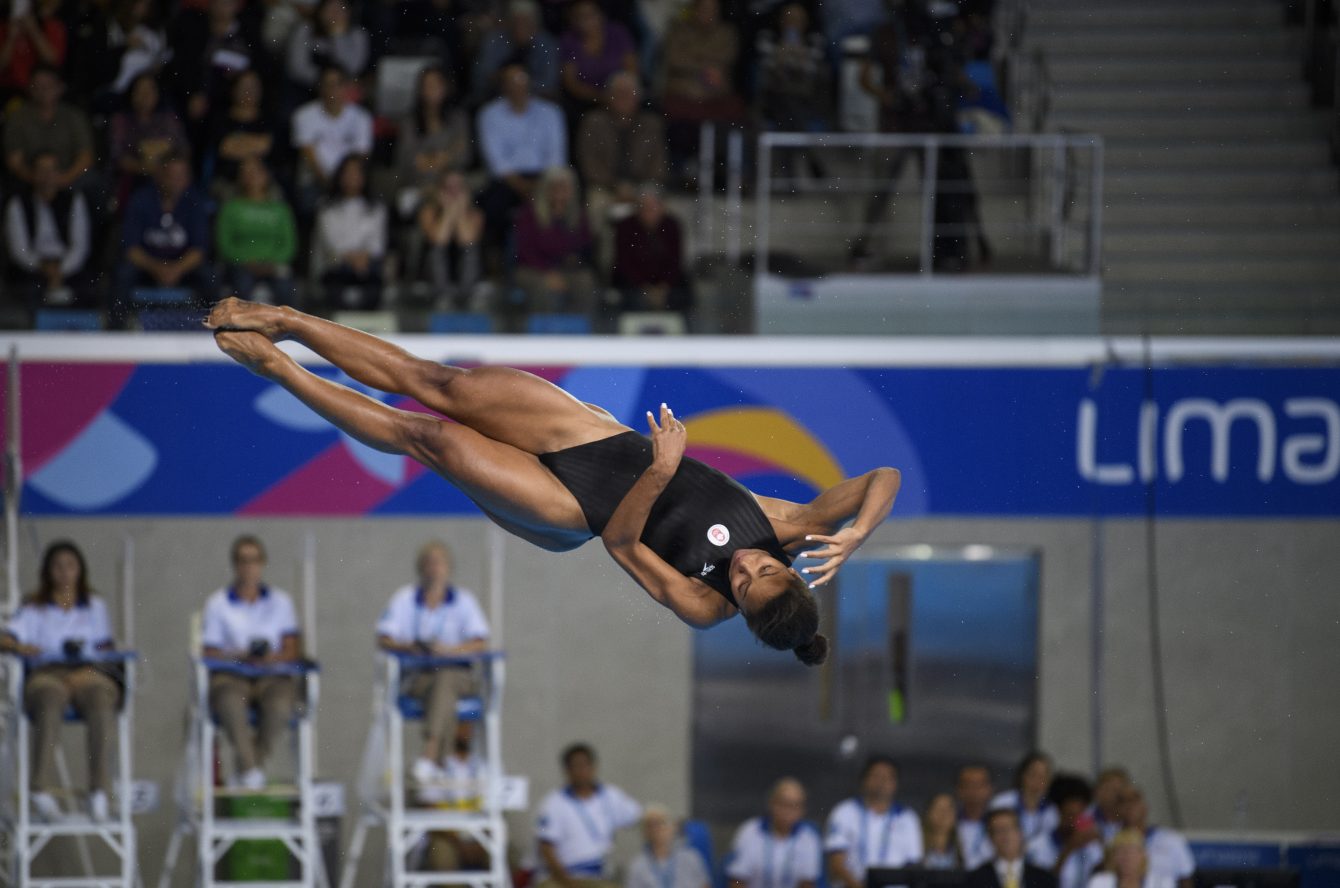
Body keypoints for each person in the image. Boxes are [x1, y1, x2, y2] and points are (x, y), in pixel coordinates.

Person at [205, 298, 901, 661]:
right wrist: (860, 532)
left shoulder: (702, 604)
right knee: (438, 383)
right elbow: (882, 476)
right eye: (763, 573)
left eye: (743, 589)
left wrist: (661, 473)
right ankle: (286, 320)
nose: (744, 570)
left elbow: (623, 546)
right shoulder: (787, 525)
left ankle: (280, 369)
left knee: (428, 436)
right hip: (597, 438)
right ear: (792, 569)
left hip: (575, 511)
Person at [0, 541, 122, 823]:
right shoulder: (33, 607)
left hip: (87, 671)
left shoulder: (94, 606)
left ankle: (99, 791)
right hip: (46, 672)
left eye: (70, 566)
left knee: (101, 697)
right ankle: (40, 788)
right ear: (48, 572)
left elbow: (106, 650)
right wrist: (19, 647)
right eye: (58, 566)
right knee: (50, 696)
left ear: (80, 570)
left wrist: (87, 671)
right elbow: (7, 638)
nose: (64, 573)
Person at [375, 540, 490, 793]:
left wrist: (449, 651)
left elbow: (479, 643)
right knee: (441, 685)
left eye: (439, 563)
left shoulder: (464, 601)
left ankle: (429, 754)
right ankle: (442, 759)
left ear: (448, 568)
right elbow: (384, 638)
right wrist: (411, 647)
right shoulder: (404, 599)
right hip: (419, 677)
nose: (434, 569)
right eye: (428, 563)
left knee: (446, 677)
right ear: (420, 568)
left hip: (458, 676)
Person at [201, 535, 304, 791]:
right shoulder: (217, 604)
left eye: (254, 561)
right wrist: (237, 654)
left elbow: (292, 648)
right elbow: (210, 651)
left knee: (281, 706)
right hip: (232, 674)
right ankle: (250, 769)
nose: (249, 567)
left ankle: (249, 769)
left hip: (272, 675)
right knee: (229, 703)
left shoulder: (281, 602)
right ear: (235, 565)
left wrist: (272, 657)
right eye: (243, 561)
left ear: (263, 564)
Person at [475, 64, 566, 265]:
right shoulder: (490, 114)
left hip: (544, 177)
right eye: (511, 82)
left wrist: (540, 186)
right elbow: (497, 161)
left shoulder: (550, 112)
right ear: (503, 86)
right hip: (507, 180)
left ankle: (558, 261)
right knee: (492, 206)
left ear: (530, 83)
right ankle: (497, 261)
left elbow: (556, 156)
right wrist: (525, 188)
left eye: (521, 81)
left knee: (563, 199)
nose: (517, 87)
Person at [113, 150, 213, 327]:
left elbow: (199, 249)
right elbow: (131, 248)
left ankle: (212, 327)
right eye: (170, 175)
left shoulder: (195, 201)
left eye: (180, 176)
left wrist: (176, 269)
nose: (175, 181)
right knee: (123, 273)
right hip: (147, 266)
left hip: (182, 267)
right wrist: (157, 268)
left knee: (209, 275)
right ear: (159, 175)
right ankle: (117, 327)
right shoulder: (141, 200)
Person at [576, 71, 665, 267]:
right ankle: (596, 263)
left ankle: (653, 265)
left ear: (638, 98)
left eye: (629, 94)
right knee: (594, 209)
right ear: (609, 96)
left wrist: (637, 191)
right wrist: (616, 187)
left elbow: (658, 164)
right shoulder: (593, 121)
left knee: (662, 209)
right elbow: (589, 163)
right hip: (605, 187)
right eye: (619, 94)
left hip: (642, 187)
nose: (624, 99)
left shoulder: (651, 124)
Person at [535, 743, 643, 887]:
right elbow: (545, 847)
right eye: (576, 766)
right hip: (562, 877)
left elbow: (640, 818)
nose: (581, 771)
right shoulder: (552, 804)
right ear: (566, 770)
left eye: (585, 765)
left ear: (594, 767)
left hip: (599, 877)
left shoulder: (610, 796)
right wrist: (567, 882)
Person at [660, 0, 743, 174]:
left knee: (734, 117)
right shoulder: (678, 29)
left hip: (715, 93)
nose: (708, 14)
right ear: (694, 10)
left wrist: (694, 60)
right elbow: (675, 58)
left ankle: (725, 173)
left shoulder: (727, 32)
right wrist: (706, 68)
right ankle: (682, 171)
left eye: (713, 10)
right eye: (704, 9)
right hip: (684, 91)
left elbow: (726, 57)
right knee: (677, 119)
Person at [4, 150, 93, 311]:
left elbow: (80, 246)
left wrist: (60, 269)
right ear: (33, 174)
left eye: (51, 170)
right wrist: (43, 267)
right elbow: (19, 249)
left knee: (89, 284)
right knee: (24, 286)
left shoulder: (74, 200)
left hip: (67, 265)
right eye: (42, 170)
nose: (47, 176)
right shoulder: (18, 203)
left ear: (59, 173)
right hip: (33, 266)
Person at [513, 165, 596, 321]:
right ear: (546, 189)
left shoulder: (578, 215)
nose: (560, 192)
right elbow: (525, 250)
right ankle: (544, 330)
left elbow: (585, 248)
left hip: (567, 270)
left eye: (564, 187)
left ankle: (577, 329)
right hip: (533, 269)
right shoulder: (530, 214)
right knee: (542, 288)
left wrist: (573, 262)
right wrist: (547, 273)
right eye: (555, 187)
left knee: (585, 282)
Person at [825, 756, 923, 888]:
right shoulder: (844, 812)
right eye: (876, 776)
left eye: (887, 777)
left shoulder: (908, 818)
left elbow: (913, 866)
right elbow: (836, 864)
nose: (881, 782)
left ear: (895, 784)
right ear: (864, 780)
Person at [215, 158, 298, 305]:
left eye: (256, 171)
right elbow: (224, 245)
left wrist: (270, 263)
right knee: (241, 286)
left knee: (286, 290)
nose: (252, 176)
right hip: (241, 265)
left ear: (266, 175)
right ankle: (241, 327)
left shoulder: (281, 209)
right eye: (246, 172)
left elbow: (289, 245)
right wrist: (247, 262)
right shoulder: (231, 208)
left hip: (274, 266)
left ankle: (287, 328)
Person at [3, 65, 94, 189]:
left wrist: (65, 178)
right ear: (30, 87)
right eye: (38, 85)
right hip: (30, 180)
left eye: (48, 85)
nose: (43, 90)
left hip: (68, 177)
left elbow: (85, 156)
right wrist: (38, 179)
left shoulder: (74, 116)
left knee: (93, 182)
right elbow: (14, 162)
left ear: (60, 87)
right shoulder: (18, 118)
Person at [291, 65, 374, 202]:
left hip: (349, 183)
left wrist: (346, 184)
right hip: (315, 182)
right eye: (328, 84)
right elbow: (309, 158)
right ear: (320, 87)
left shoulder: (362, 117)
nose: (333, 89)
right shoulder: (303, 116)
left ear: (347, 87)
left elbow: (361, 157)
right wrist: (332, 187)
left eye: (338, 84)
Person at [315, 154, 387, 309]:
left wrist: (362, 257)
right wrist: (352, 258)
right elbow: (332, 243)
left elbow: (377, 245)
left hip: (366, 265)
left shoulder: (376, 208)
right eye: (348, 173)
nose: (352, 177)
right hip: (337, 264)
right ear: (340, 176)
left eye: (356, 172)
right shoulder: (327, 208)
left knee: (375, 277)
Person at [394, 65, 471, 208]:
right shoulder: (409, 122)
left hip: (451, 181)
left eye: (437, 84)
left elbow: (463, 155)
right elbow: (409, 160)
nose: (432, 89)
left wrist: (429, 160)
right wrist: (446, 155)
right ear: (420, 90)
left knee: (455, 185)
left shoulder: (458, 118)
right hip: (420, 182)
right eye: (428, 85)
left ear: (445, 87)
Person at [107, 72, 187, 204]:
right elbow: (118, 157)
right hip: (133, 178)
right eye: (140, 90)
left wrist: (165, 167)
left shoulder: (168, 119)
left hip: (168, 175)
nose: (145, 95)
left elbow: (183, 149)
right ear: (132, 94)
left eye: (150, 89)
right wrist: (146, 168)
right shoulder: (121, 120)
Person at [727, 778, 822, 888]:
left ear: (802, 810)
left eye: (795, 805)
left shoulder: (808, 838)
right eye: (784, 804)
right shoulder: (750, 832)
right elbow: (737, 881)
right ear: (771, 803)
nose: (788, 811)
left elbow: (807, 884)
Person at [611, 185, 690, 317]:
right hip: (634, 284)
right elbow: (624, 263)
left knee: (682, 295)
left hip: (665, 285)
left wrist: (663, 287)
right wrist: (644, 287)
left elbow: (675, 261)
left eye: (653, 207)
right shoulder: (626, 227)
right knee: (632, 298)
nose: (649, 212)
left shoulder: (672, 226)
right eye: (645, 208)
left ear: (662, 208)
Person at [559, 0, 637, 121]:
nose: (585, 21)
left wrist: (619, 95)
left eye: (590, 15)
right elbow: (571, 82)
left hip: (621, 94)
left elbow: (631, 69)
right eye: (580, 16)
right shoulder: (569, 41)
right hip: (586, 101)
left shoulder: (618, 33)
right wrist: (601, 97)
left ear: (601, 15)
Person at [416, 169, 483, 309]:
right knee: (436, 251)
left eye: (458, 188)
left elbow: (468, 241)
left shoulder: (475, 214)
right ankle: (442, 296)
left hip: (463, 274)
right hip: (434, 276)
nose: (453, 193)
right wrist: (447, 213)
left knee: (470, 251)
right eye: (449, 188)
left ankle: (466, 296)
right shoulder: (428, 211)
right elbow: (438, 240)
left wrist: (460, 213)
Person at [471, 0, 559, 104]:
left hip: (536, 100)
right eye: (516, 22)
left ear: (535, 25)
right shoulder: (493, 39)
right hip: (496, 98)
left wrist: (520, 85)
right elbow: (481, 76)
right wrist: (506, 81)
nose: (520, 27)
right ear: (508, 23)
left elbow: (549, 83)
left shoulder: (547, 43)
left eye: (526, 22)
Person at [1026, 776, 1103, 888]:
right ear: (1059, 812)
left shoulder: (1090, 844)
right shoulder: (1037, 846)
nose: (1074, 821)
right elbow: (1041, 884)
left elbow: (1103, 878)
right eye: (1070, 815)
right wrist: (1068, 850)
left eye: (1079, 815)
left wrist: (1101, 843)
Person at [207, 68, 275, 193]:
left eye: (253, 87)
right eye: (244, 86)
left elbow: (266, 146)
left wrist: (239, 143)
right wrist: (254, 144)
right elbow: (225, 148)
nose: (249, 91)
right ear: (234, 89)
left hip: (263, 183)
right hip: (228, 181)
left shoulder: (268, 119)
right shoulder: (220, 118)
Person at [1114, 788, 1193, 888]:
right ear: (1117, 810)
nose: (1129, 806)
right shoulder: (1111, 841)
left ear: (1145, 807)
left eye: (1134, 801)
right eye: (1123, 802)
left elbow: (1185, 879)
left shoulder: (1172, 840)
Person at [285, 0, 369, 92]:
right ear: (320, 12)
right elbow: (296, 67)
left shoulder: (358, 35)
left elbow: (352, 68)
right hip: (306, 86)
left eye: (340, 9)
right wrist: (324, 82)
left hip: (340, 88)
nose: (335, 14)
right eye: (330, 9)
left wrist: (337, 36)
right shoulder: (305, 29)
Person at [967, 808, 1058, 888]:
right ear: (990, 837)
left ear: (1020, 833)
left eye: (1010, 828)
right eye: (999, 830)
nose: (1005, 835)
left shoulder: (1044, 878)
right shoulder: (975, 879)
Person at [627, 805, 712, 888]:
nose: (657, 829)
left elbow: (704, 885)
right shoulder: (638, 866)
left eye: (662, 823)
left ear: (673, 827)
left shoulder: (691, 858)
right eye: (651, 825)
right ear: (645, 832)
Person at [0, 0, 66, 100]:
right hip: (8, 90)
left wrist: (33, 30)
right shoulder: (3, 27)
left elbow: (52, 61)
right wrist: (11, 38)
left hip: (41, 91)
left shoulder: (50, 26)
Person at [991, 752, 1059, 847]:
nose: (1038, 780)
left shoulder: (1052, 811)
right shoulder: (1002, 802)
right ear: (1023, 775)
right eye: (1034, 774)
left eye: (1043, 776)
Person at [1085, 831, 1174, 888]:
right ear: (1113, 857)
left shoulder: (1162, 883)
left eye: (1132, 852)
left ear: (1143, 856)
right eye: (1121, 852)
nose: (1127, 857)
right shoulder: (1100, 882)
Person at [957, 764, 995, 871]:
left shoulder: (998, 824)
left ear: (990, 789)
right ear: (959, 790)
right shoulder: (951, 823)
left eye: (979, 785)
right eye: (968, 785)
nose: (974, 791)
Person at [923, 792, 964, 870]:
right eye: (939, 808)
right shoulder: (917, 847)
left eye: (949, 809)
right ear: (928, 813)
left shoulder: (961, 850)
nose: (944, 814)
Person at [1090, 769, 1131, 844]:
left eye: (1119, 789)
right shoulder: (1086, 817)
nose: (1117, 795)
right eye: (1111, 789)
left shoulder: (1131, 819)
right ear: (1097, 792)